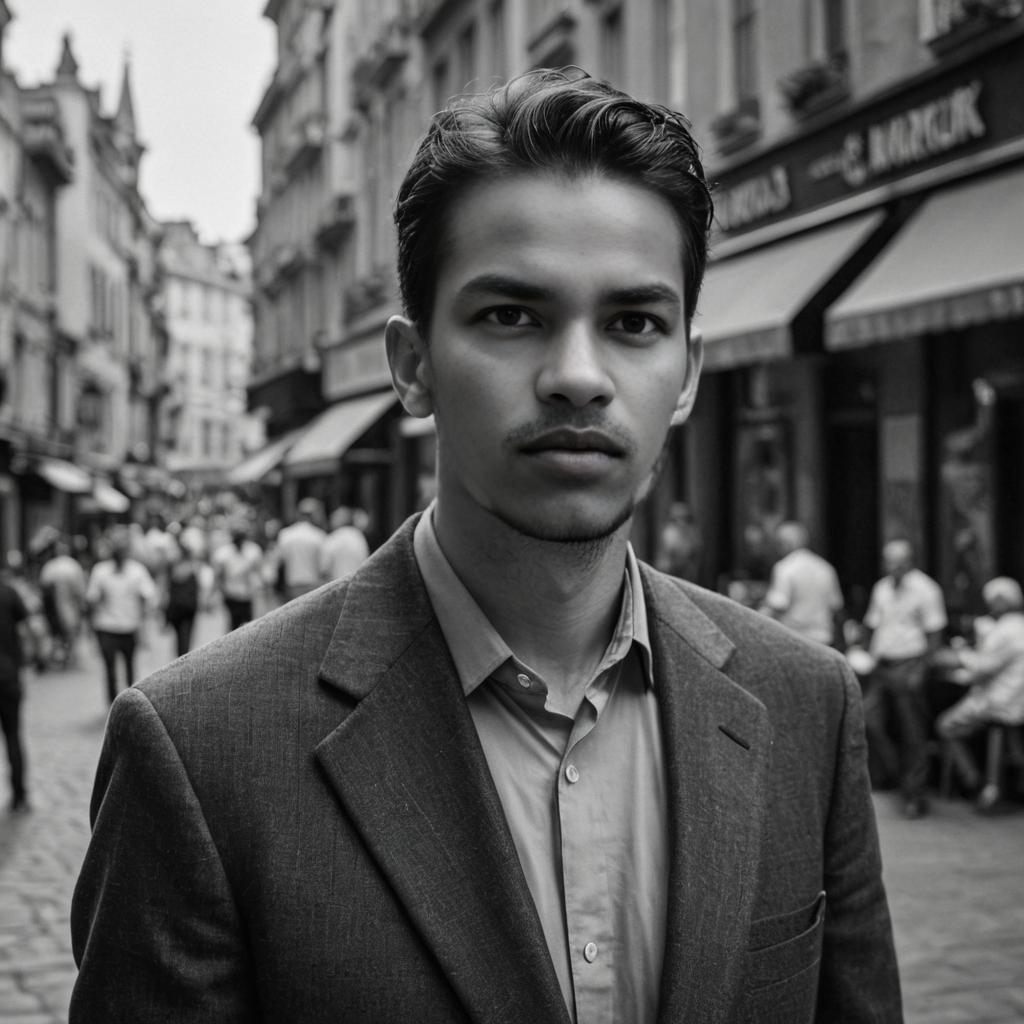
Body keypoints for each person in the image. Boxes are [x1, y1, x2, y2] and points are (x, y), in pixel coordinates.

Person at [70, 69, 901, 1023]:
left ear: (687, 373)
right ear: (414, 367)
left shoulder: (805, 703)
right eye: (512, 315)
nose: (579, 377)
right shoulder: (204, 750)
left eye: (634, 322)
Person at [862, 538, 947, 818]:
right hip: (882, 665)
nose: (893, 567)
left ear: (910, 561)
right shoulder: (882, 587)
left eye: (898, 562)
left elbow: (935, 634)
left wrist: (921, 671)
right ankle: (897, 775)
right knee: (869, 721)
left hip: (909, 665)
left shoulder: (925, 589)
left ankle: (914, 792)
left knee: (913, 732)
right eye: (889, 561)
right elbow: (874, 625)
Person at [934, 576, 1024, 809]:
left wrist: (959, 657)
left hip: (999, 703)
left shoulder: (1005, 631)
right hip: (1014, 702)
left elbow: (983, 667)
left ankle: (973, 780)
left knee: (945, 725)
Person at [85, 525, 157, 703]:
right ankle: (113, 704)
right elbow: (92, 598)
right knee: (110, 669)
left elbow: (149, 597)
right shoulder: (101, 570)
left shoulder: (137, 571)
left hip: (128, 627)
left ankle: (131, 703)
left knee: (129, 668)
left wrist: (144, 621)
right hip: (107, 627)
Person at [0, 557, 44, 813]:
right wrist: (37, 655)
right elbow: (30, 627)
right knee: (13, 735)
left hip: (8, 675)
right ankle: (19, 794)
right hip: (7, 676)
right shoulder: (8, 592)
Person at [760, 521, 845, 647]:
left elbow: (778, 605)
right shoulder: (825, 568)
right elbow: (836, 607)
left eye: (779, 543)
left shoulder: (785, 567)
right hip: (823, 641)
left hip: (794, 641)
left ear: (787, 543)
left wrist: (752, 619)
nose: (777, 549)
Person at [38, 538, 87, 669]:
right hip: (70, 606)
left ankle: (59, 656)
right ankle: (68, 657)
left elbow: (43, 589)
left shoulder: (49, 567)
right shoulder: (73, 566)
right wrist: (82, 607)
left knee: (56, 634)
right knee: (70, 633)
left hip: (53, 608)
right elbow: (80, 590)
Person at [211, 521, 264, 630]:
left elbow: (260, 572)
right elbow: (218, 576)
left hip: (248, 596)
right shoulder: (223, 553)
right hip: (231, 596)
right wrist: (212, 595)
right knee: (233, 627)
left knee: (250, 627)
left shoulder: (253, 551)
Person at [275, 497, 327, 601]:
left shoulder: (285, 534)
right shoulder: (319, 535)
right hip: (314, 585)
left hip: (292, 584)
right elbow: (324, 566)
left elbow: (279, 561)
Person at [163, 546, 202, 658]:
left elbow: (167, 591)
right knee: (185, 638)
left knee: (180, 638)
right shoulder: (193, 568)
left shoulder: (173, 568)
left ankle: (180, 658)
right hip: (187, 609)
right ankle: (182, 659)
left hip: (178, 609)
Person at [654, 501, 702, 582]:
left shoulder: (692, 532)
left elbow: (696, 549)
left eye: (684, 518)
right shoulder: (669, 532)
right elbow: (668, 552)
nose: (681, 521)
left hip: (687, 572)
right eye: (678, 518)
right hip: (671, 572)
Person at [320, 505, 371, 581]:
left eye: (333, 518)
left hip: (337, 584)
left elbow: (324, 567)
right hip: (356, 583)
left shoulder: (334, 538)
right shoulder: (358, 536)